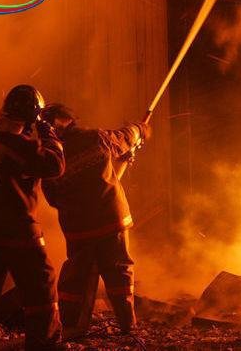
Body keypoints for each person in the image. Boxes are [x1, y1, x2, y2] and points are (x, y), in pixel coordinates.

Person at [0, 85, 65, 350]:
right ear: (31, 117)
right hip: (18, 231)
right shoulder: (18, 147)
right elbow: (55, 165)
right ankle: (45, 343)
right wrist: (47, 131)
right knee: (42, 284)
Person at [40, 103, 150, 338]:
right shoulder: (95, 138)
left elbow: (53, 198)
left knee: (75, 276)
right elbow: (124, 137)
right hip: (111, 220)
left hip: (78, 228)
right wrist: (140, 129)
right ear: (69, 120)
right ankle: (127, 324)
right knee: (119, 271)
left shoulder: (50, 157)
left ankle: (70, 325)